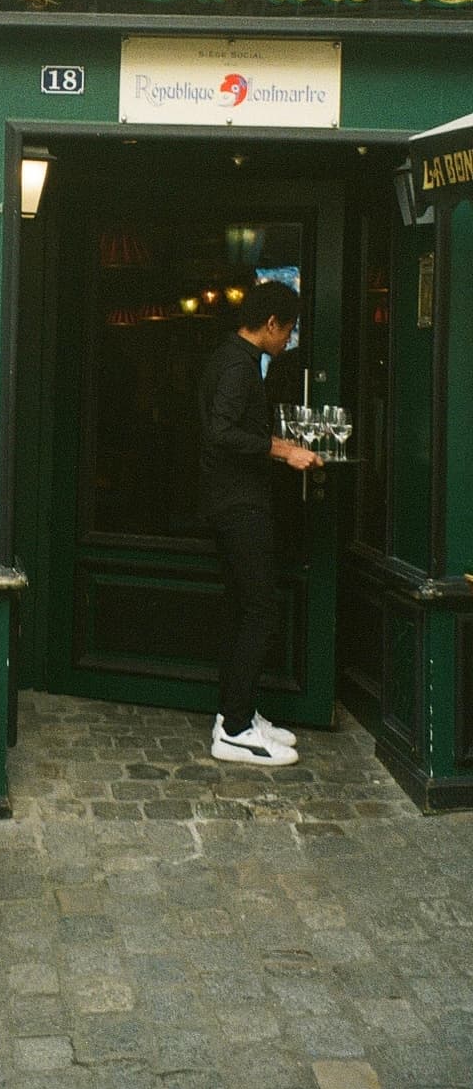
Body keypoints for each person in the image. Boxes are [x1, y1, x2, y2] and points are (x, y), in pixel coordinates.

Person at [198, 280, 321, 767]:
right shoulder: (237, 365)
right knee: (258, 609)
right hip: (238, 505)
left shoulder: (235, 359)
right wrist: (282, 449)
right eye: (288, 332)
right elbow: (221, 432)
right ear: (271, 324)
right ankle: (234, 729)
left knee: (244, 608)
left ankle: (238, 711)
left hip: (233, 501)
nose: (288, 341)